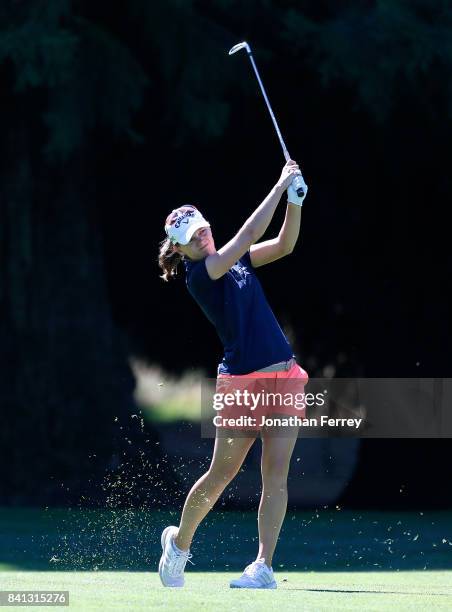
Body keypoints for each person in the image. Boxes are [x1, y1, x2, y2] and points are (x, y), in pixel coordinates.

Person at [157, 159, 309, 589]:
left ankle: (262, 566)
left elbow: (283, 245)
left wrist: (294, 202)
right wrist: (280, 184)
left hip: (284, 376)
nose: (201, 236)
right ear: (180, 250)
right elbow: (247, 235)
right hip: (243, 383)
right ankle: (180, 546)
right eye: (191, 238)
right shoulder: (201, 275)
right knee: (222, 474)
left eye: (202, 228)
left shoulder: (234, 262)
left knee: (274, 475)